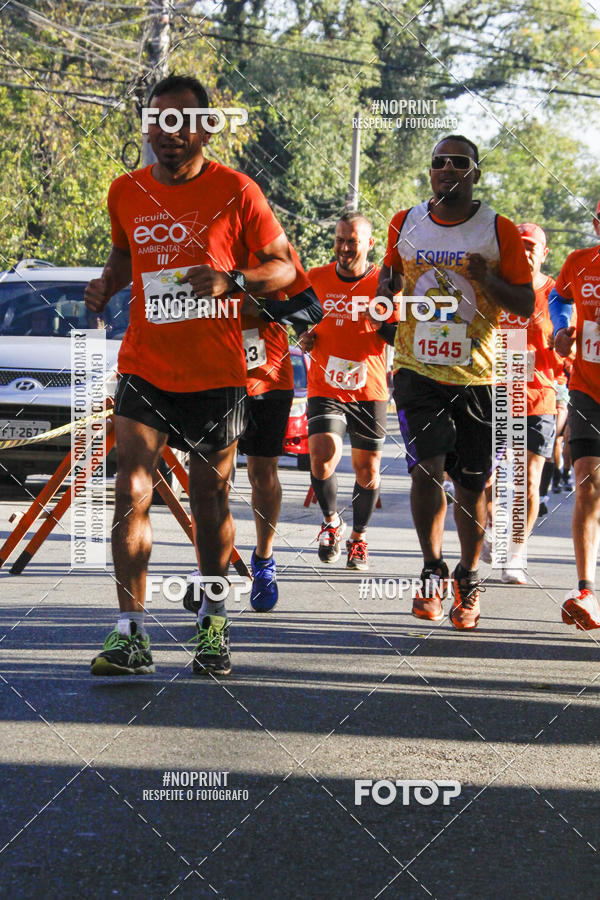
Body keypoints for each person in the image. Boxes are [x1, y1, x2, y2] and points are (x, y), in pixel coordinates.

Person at [85, 74, 294, 676]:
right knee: (130, 491)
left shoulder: (237, 190)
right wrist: (108, 282)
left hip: (215, 370)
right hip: (145, 363)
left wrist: (236, 280)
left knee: (210, 498)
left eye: (181, 121)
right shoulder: (125, 190)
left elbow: (283, 268)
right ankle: (130, 634)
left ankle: (212, 624)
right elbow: (126, 252)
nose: (167, 132)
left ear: (205, 126)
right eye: (157, 120)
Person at [381, 135, 533, 628]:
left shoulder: (499, 230)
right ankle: (431, 568)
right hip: (416, 367)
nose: (446, 169)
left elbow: (526, 305)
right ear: (430, 172)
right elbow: (390, 278)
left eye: (458, 163)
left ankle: (467, 577)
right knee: (425, 468)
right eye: (438, 163)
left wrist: (488, 278)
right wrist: (388, 289)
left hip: (479, 377)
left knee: (471, 487)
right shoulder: (405, 222)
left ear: (475, 174)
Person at [182, 246, 322, 614]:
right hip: (213, 378)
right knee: (213, 481)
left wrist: (262, 309)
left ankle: (263, 561)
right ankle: (207, 569)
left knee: (262, 475)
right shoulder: (204, 243)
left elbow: (312, 307)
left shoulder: (272, 250)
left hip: (268, 380)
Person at [299, 212, 398, 570]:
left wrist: (379, 324)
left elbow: (399, 335)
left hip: (368, 388)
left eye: (351, 240)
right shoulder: (317, 278)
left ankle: (358, 537)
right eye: (339, 239)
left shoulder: (383, 284)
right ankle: (330, 523)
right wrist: (305, 337)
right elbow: (302, 319)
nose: (343, 247)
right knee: (322, 455)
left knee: (367, 470)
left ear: (369, 243)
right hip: (325, 383)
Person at [482, 222, 561, 584]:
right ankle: (489, 528)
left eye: (533, 246)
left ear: (544, 253)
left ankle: (516, 551)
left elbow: (565, 343)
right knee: (491, 476)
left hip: (538, 397)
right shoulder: (495, 288)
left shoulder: (556, 293)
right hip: (496, 393)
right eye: (520, 245)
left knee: (529, 482)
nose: (526, 251)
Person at [550, 200, 600, 630]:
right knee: (587, 480)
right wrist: (561, 330)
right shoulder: (579, 262)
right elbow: (558, 297)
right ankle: (585, 590)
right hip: (586, 387)